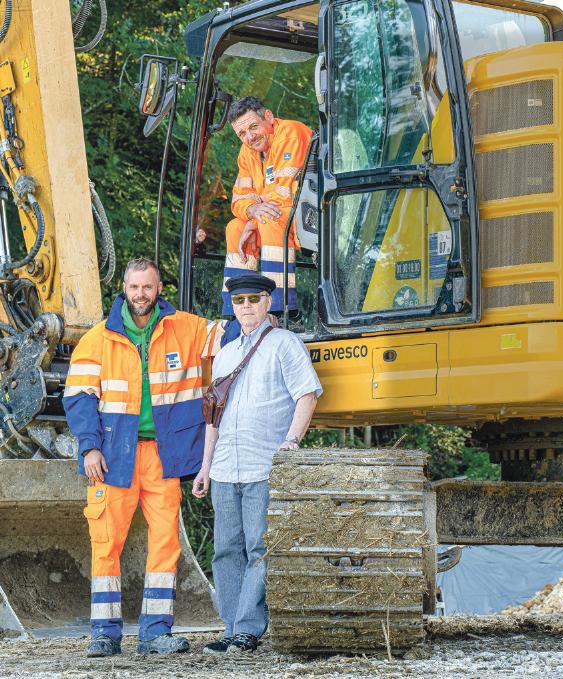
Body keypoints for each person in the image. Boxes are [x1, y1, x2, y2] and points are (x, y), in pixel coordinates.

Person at [63, 257, 224, 658]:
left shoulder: (185, 328)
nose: (140, 295)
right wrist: (89, 447)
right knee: (106, 541)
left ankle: (155, 632)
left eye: (148, 287)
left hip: (163, 456)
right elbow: (79, 398)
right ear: (124, 288)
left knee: (166, 541)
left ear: (159, 288)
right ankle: (104, 633)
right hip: (113, 456)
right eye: (134, 287)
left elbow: (235, 332)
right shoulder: (97, 339)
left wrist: (264, 313)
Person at [192, 273, 322, 654]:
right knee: (225, 551)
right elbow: (213, 418)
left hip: (263, 466)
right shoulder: (227, 353)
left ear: (268, 301)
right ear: (231, 306)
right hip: (224, 469)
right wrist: (204, 467)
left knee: (258, 549)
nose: (245, 307)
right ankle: (232, 627)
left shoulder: (284, 344)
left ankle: (248, 628)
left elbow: (308, 394)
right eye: (239, 301)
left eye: (253, 299)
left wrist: (291, 441)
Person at [222, 96, 312, 322]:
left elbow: (283, 194)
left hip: (308, 216)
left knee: (267, 219)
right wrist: (251, 212)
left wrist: (253, 219)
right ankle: (237, 308)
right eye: (242, 134)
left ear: (269, 117)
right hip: (276, 218)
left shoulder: (291, 132)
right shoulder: (247, 153)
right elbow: (240, 199)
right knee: (234, 228)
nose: (249, 137)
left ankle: (282, 309)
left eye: (253, 127)